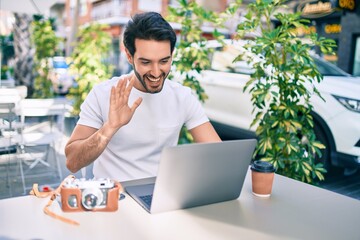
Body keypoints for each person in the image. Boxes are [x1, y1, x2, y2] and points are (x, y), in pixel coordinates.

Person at [65, 12, 221, 181]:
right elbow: (72, 162)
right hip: (116, 198)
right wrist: (109, 127)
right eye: (146, 62)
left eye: (163, 61)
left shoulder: (182, 97)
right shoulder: (102, 94)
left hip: (162, 195)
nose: (156, 72)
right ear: (129, 56)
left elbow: (218, 156)